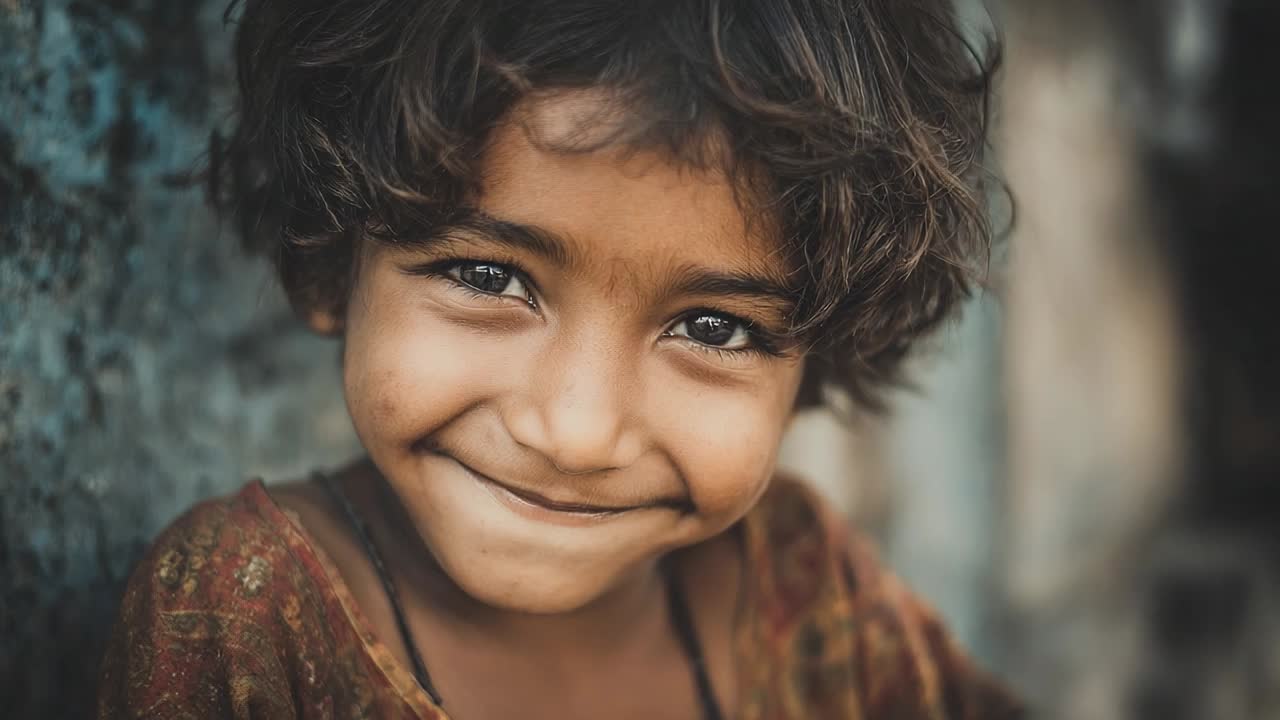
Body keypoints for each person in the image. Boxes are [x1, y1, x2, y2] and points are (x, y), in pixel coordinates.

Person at [97, 1, 1021, 717]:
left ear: (819, 353)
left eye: (712, 328)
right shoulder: (244, 615)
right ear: (328, 259)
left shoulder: (807, 594)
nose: (577, 434)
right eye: (489, 275)